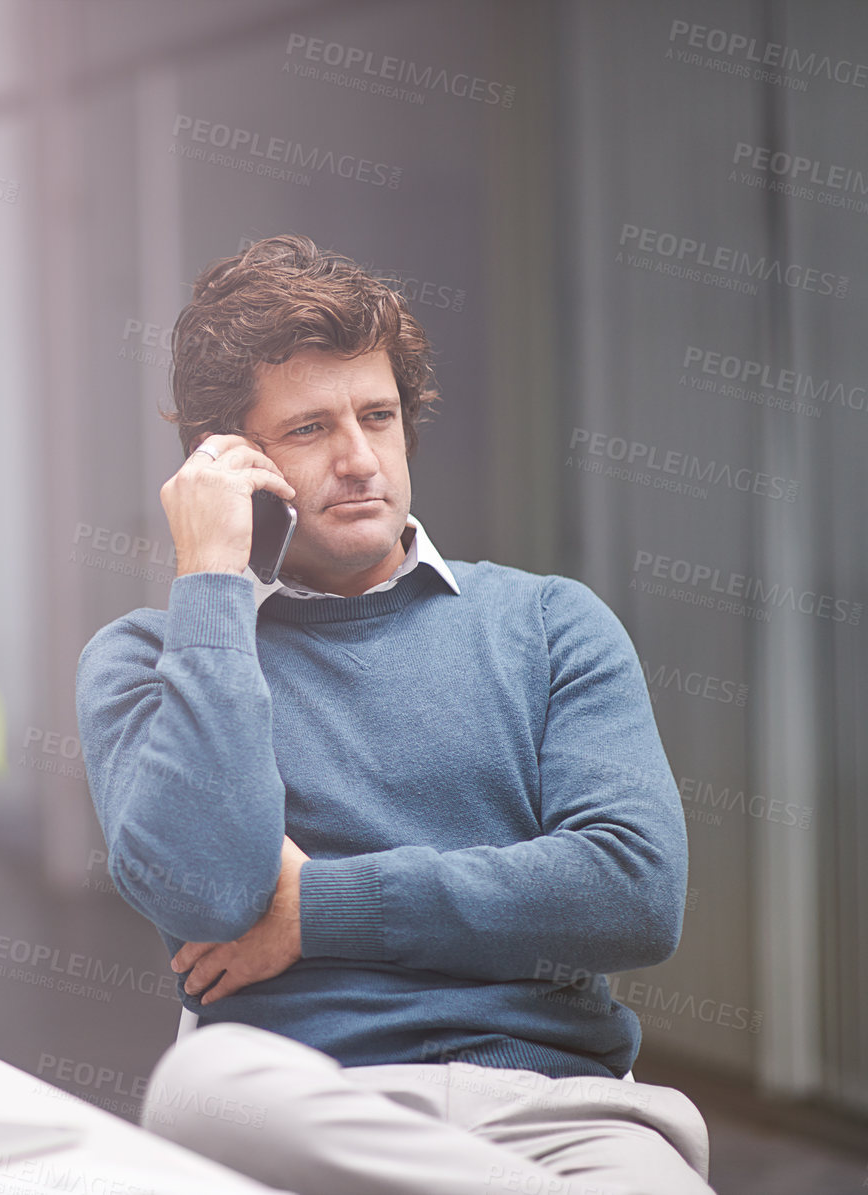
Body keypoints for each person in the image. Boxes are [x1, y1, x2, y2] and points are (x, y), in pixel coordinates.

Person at [74, 234, 713, 1195]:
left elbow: (632, 890)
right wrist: (211, 577)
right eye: (309, 430)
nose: (360, 459)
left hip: (560, 1107)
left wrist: (315, 909)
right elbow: (207, 890)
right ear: (230, 458)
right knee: (200, 1084)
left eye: (378, 416)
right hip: (312, 1099)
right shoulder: (150, 656)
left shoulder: (549, 623)